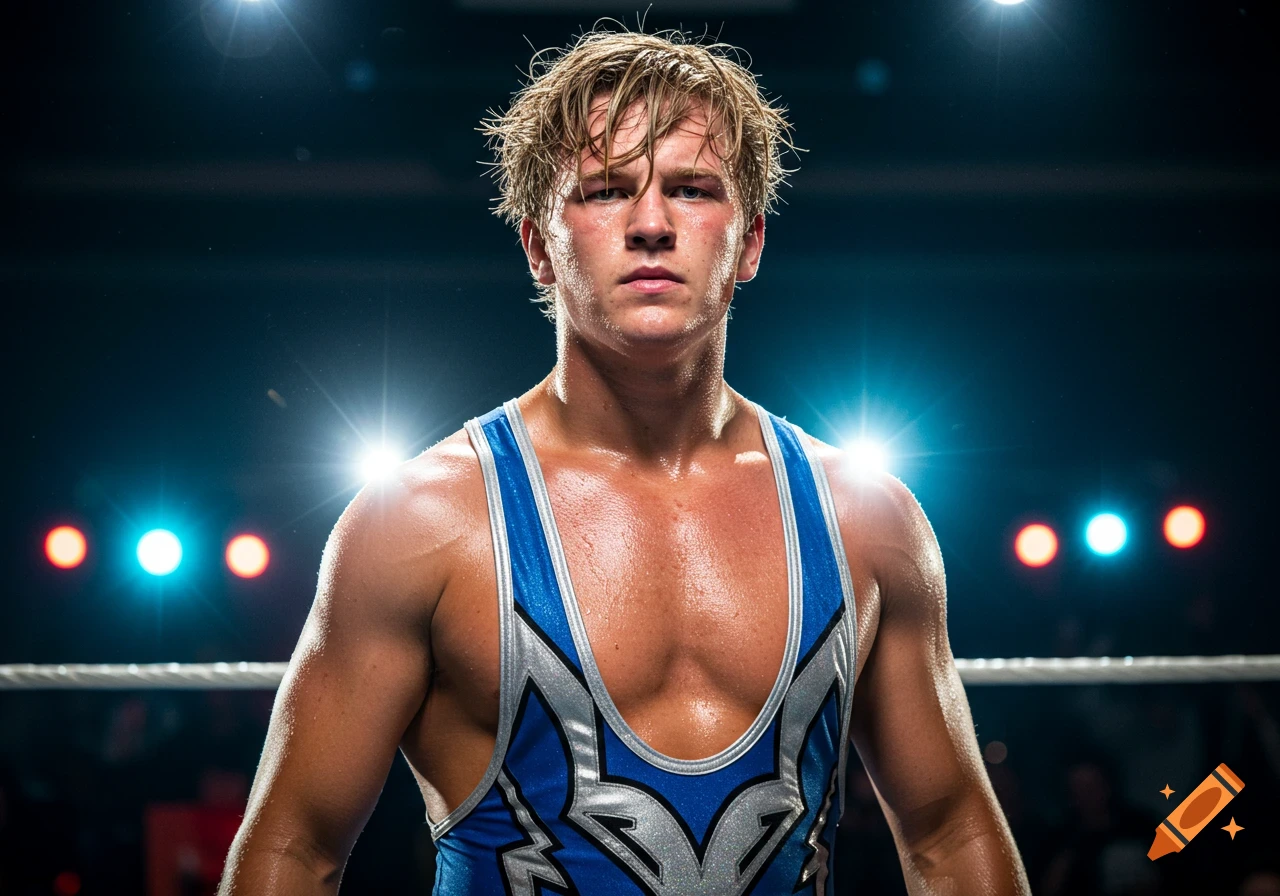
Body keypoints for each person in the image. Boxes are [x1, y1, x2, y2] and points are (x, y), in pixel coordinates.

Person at [218, 26, 1030, 895]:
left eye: (690, 189)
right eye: (605, 191)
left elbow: (950, 835)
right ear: (538, 246)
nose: (650, 225)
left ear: (750, 242)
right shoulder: (422, 524)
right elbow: (294, 849)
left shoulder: (865, 520)